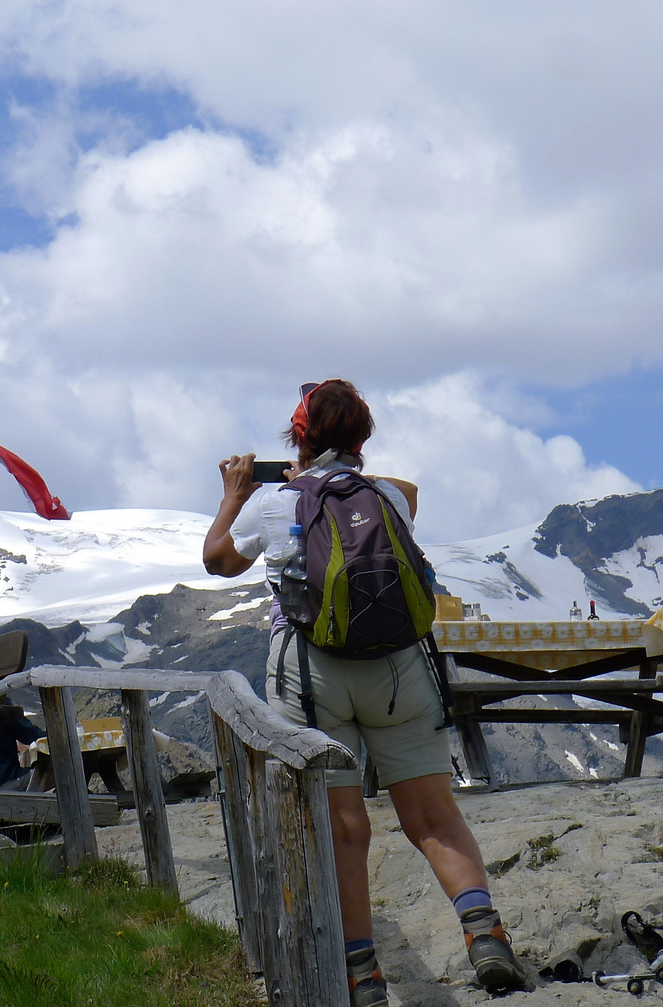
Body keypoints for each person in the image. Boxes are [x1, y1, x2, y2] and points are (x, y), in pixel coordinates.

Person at [202, 380, 522, 1005]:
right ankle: (485, 937)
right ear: (363, 437)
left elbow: (218, 560)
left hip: (312, 673)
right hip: (400, 670)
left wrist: (235, 494)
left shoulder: (277, 506)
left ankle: (363, 975)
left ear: (297, 437)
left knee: (344, 826)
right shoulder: (390, 500)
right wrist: (343, 468)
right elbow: (408, 491)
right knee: (433, 814)